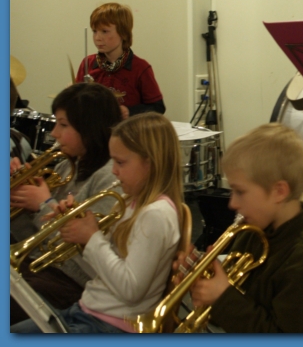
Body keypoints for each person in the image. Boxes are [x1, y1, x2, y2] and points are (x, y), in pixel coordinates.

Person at [11, 112, 184, 333]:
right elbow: (103, 269)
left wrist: (92, 238)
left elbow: (131, 289)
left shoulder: (156, 215)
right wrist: (73, 229)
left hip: (109, 325)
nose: (113, 170)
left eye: (120, 162)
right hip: (86, 310)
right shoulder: (130, 202)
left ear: (150, 163)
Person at [173, 123, 303, 333]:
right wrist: (203, 283)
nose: (232, 203)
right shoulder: (252, 233)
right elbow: (232, 314)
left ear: (279, 192)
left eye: (240, 192)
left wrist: (222, 298)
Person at [10, 82, 124, 324]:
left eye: (63, 125)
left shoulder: (110, 178)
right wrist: (19, 198)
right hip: (42, 268)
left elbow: (85, 259)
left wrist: (43, 204)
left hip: (75, 283)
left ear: (89, 128)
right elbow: (33, 241)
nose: (54, 133)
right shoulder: (67, 165)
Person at [76, 2, 165, 119]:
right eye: (94, 31)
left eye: (104, 31)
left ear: (123, 33)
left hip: (128, 129)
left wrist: (129, 111)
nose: (97, 38)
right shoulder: (87, 63)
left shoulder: (140, 68)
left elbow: (158, 108)